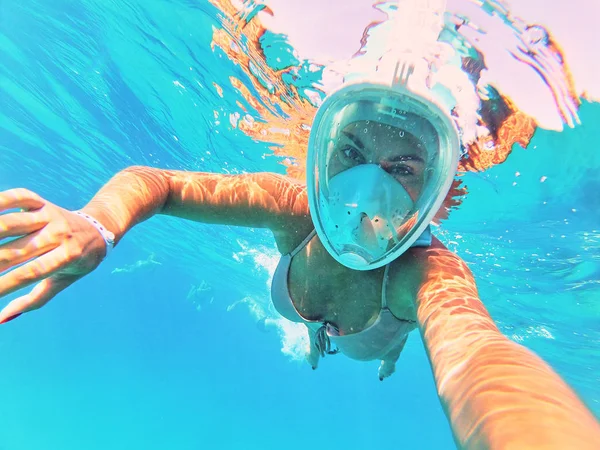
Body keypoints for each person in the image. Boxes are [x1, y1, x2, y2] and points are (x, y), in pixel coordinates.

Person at [1, 57, 599, 449]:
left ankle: (389, 356)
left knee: (380, 354)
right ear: (320, 159)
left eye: (402, 169)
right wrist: (98, 225)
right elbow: (159, 183)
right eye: (351, 154)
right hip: (303, 302)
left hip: (372, 337)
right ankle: (332, 341)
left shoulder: (428, 271)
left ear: (438, 198)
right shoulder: (293, 209)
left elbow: (478, 354)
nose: (367, 191)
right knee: (326, 338)